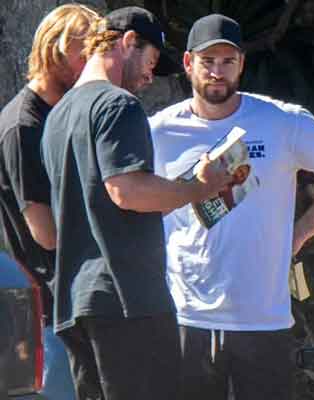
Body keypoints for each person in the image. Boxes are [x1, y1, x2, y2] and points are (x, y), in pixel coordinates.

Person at [149, 14, 314, 400]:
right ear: (187, 64)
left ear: (242, 64)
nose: (217, 72)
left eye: (227, 61)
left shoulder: (280, 121)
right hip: (186, 316)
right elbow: (130, 198)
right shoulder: (159, 130)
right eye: (207, 61)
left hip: (262, 318)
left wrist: (299, 234)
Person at [40, 7, 233, 400]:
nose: (148, 77)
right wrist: (200, 187)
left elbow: (102, 202)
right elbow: (126, 191)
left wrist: (173, 192)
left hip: (75, 304)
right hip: (128, 301)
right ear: (128, 42)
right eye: (149, 62)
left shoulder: (57, 115)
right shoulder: (118, 105)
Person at [0, 5, 99, 397]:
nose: (89, 65)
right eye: (82, 53)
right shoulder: (23, 126)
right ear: (53, 49)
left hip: (75, 305)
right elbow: (45, 232)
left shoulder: (63, 113)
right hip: (46, 311)